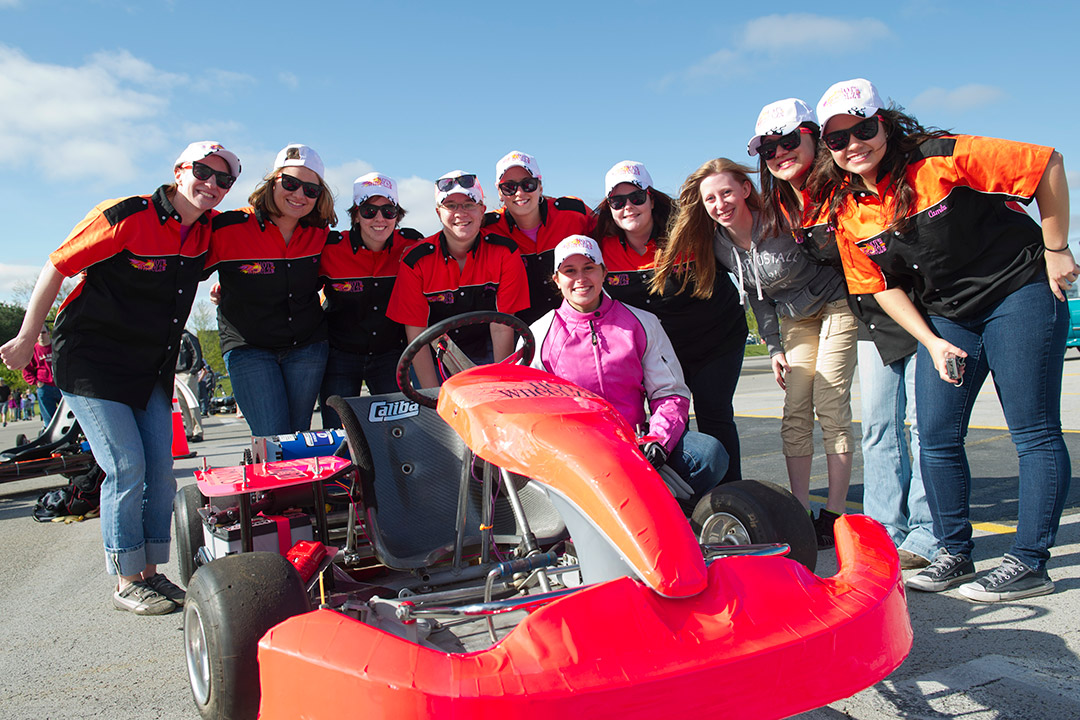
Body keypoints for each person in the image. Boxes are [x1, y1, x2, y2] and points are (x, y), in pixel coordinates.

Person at [811, 77, 1076, 601]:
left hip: (1017, 290)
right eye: (838, 140)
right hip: (949, 315)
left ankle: (1029, 563)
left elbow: (1047, 164)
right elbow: (880, 287)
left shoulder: (939, 158)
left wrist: (1057, 247)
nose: (853, 145)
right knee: (933, 434)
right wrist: (930, 343)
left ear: (883, 123)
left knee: (1033, 430)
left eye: (862, 129)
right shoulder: (847, 208)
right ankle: (953, 553)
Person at [0, 140, 240, 615]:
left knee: (160, 473)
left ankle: (151, 571)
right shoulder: (129, 215)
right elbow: (56, 264)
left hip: (149, 366)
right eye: (203, 172)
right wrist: (28, 337)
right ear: (179, 170)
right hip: (91, 360)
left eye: (224, 179)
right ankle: (126, 579)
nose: (211, 184)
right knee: (125, 466)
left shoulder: (206, 233)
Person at [747, 98, 940, 567]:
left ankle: (929, 533)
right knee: (878, 426)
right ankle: (887, 531)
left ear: (814, 137)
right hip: (868, 312)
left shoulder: (846, 180)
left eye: (789, 141)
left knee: (922, 426)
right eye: (768, 148)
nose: (778, 153)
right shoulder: (783, 201)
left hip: (908, 305)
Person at [691, 156, 858, 548]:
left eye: (726, 192)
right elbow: (755, 295)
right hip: (795, 320)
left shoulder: (781, 219)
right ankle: (798, 511)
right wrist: (774, 346)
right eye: (710, 199)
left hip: (835, 305)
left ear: (745, 189)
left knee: (830, 405)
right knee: (795, 411)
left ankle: (835, 514)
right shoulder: (720, 244)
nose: (720, 204)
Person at [528, 235, 728, 513]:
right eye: (569, 271)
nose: (580, 278)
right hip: (576, 454)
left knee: (709, 454)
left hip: (636, 446)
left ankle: (667, 513)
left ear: (604, 273)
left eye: (589, 268)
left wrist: (657, 440)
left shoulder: (642, 322)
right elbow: (530, 411)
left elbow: (670, 392)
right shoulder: (538, 334)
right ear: (557, 279)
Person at [596, 161, 748, 485]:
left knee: (715, 414)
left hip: (715, 341)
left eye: (636, 197)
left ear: (651, 197)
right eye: (617, 201)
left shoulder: (690, 229)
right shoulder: (601, 248)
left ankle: (734, 497)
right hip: (664, 353)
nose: (628, 207)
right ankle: (689, 500)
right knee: (675, 425)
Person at [208, 144, 334, 437]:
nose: (299, 195)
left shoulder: (321, 234)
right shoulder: (227, 228)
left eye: (310, 190)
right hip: (249, 347)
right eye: (290, 184)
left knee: (297, 435)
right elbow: (181, 267)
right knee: (272, 436)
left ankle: (297, 485)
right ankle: (270, 483)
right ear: (272, 181)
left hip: (307, 346)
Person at [387, 171, 529, 388]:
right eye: (451, 205)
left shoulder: (505, 252)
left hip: (488, 350)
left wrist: (503, 386)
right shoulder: (416, 260)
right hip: (436, 356)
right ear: (438, 213)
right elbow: (416, 337)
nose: (460, 213)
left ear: (482, 210)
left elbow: (502, 326)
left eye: (469, 204)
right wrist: (433, 396)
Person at [318, 173, 423, 427]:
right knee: (339, 435)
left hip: (391, 354)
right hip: (340, 355)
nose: (379, 218)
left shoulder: (412, 244)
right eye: (369, 210)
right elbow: (295, 281)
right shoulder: (331, 247)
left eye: (388, 211)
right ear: (355, 215)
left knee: (405, 429)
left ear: (397, 216)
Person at [483, 151, 595, 324]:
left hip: (579, 321)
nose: (519, 193)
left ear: (540, 187)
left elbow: (612, 234)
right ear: (499, 192)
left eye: (528, 184)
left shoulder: (574, 212)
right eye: (509, 187)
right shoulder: (488, 228)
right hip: (520, 329)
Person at [21, 326, 61, 429]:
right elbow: (26, 370)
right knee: (49, 418)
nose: (41, 336)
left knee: (70, 415)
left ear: (48, 333)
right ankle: (51, 437)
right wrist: (36, 382)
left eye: (43, 333)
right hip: (45, 387)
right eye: (38, 334)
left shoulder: (57, 345)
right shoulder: (33, 350)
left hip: (61, 385)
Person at [175, 329, 204, 441]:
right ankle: (189, 430)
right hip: (177, 375)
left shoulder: (187, 337)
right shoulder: (174, 337)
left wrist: (193, 371)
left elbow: (196, 353)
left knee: (192, 403)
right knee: (183, 405)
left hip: (187, 373)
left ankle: (198, 431)